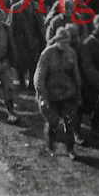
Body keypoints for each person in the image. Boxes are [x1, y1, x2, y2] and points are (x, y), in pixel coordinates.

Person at [34, 26, 81, 158]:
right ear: (57, 41)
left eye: (68, 42)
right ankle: (50, 146)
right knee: (53, 123)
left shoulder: (71, 52)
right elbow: (39, 77)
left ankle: (70, 149)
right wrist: (42, 96)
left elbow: (76, 74)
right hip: (51, 95)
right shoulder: (47, 54)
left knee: (70, 122)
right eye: (63, 42)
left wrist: (78, 93)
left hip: (67, 93)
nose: (66, 45)